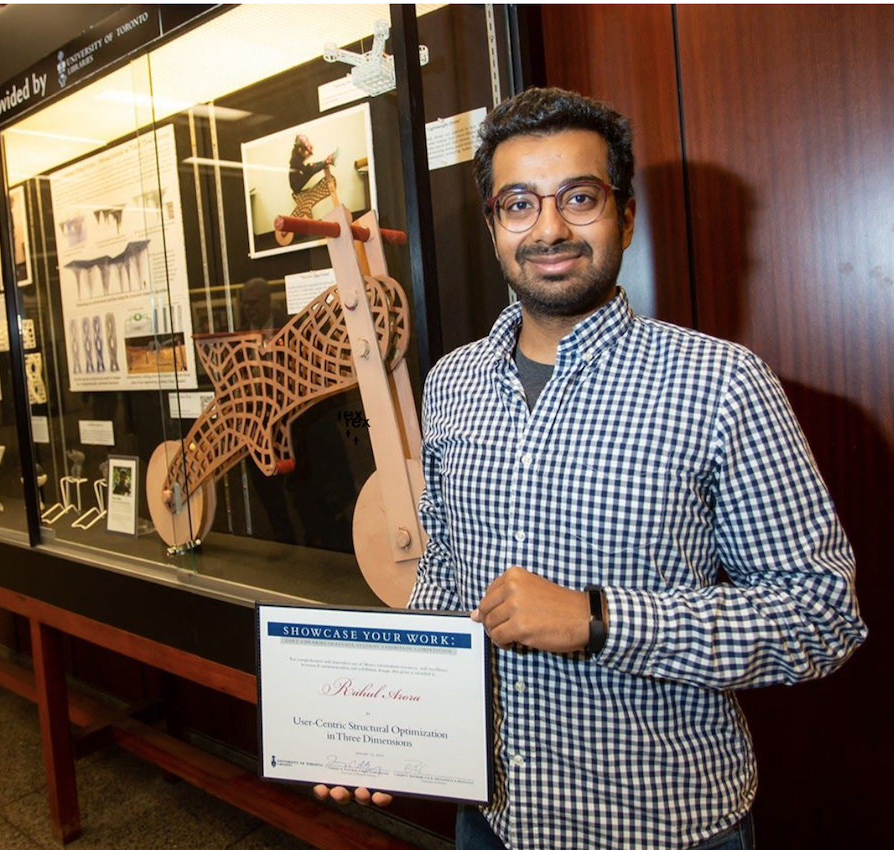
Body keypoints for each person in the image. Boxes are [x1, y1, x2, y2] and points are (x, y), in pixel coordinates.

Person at [315, 87, 867, 849]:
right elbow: (443, 565)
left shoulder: (721, 384)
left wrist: (599, 620)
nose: (548, 228)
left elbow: (820, 616)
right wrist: (389, 720)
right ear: (492, 226)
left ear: (625, 215)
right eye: (517, 204)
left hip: (661, 826)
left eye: (578, 197)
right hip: (491, 814)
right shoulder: (450, 382)